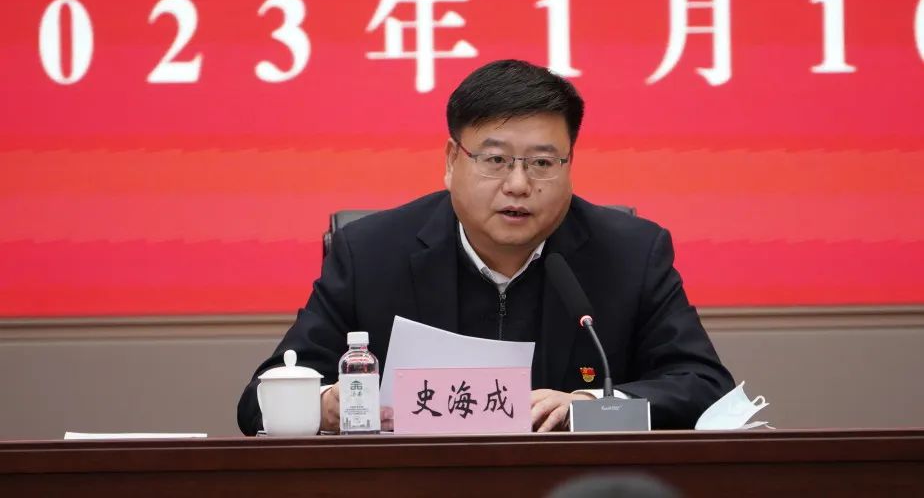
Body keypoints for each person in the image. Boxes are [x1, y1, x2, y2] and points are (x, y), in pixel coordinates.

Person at [238, 59, 733, 435]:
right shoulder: (370, 254)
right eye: (495, 160)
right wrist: (327, 404)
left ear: (569, 164)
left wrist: (593, 407)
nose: (518, 185)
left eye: (543, 163)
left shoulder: (630, 254)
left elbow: (707, 388)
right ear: (451, 161)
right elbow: (258, 400)